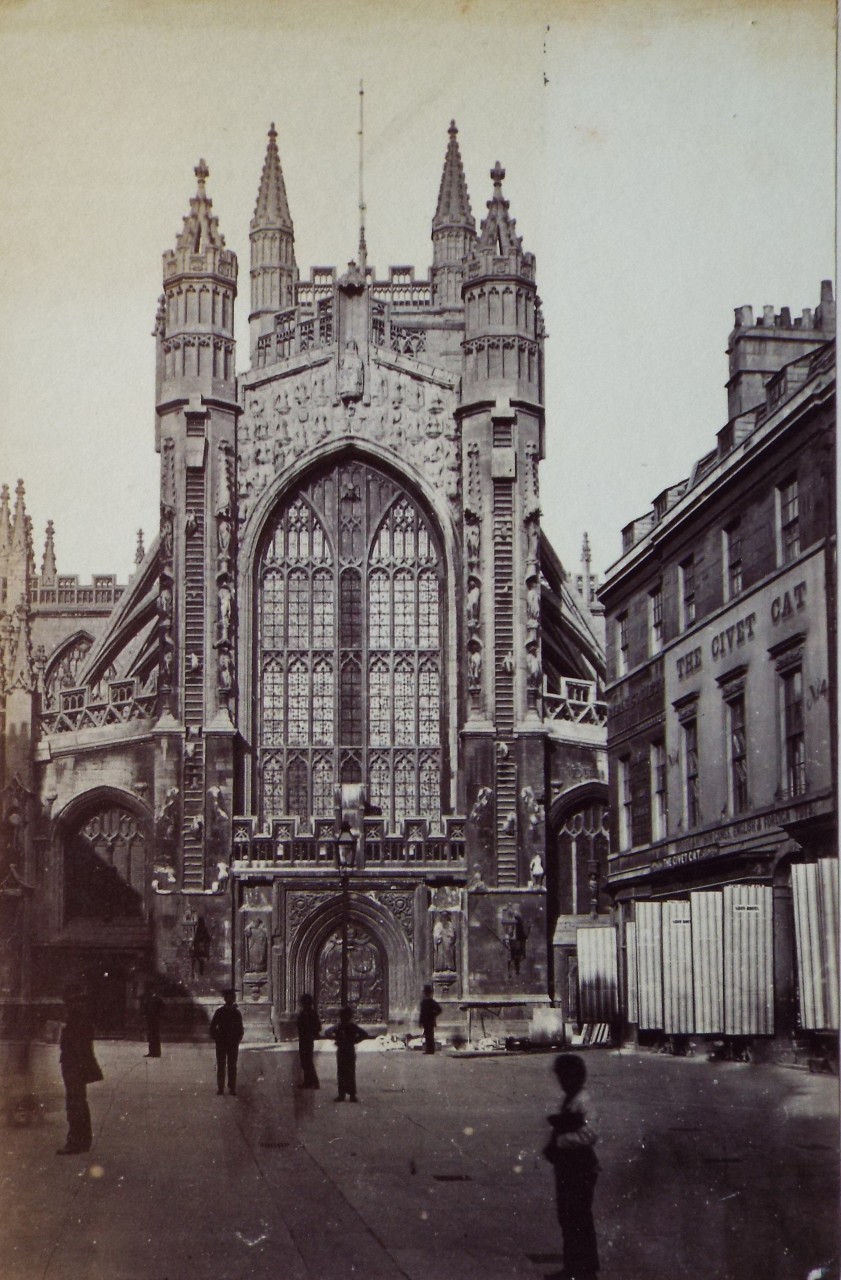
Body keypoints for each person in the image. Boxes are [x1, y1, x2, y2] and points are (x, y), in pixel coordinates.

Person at [542, 1053, 600, 1280]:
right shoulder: (571, 1098)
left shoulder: (583, 1101)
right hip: (567, 1166)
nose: (561, 1082)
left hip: (581, 1166)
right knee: (567, 1217)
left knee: (578, 1218)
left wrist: (561, 1140)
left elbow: (591, 1133)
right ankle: (572, 1267)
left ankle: (585, 1270)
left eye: (564, 1077)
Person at [57, 986, 103, 1155]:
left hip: (74, 1066)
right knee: (79, 1102)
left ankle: (76, 1141)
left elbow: (76, 1047)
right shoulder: (81, 1019)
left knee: (75, 1103)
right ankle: (82, 1140)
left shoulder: (77, 1020)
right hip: (76, 1065)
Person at [325, 1006, 369, 1102]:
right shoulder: (351, 1026)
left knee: (342, 1073)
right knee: (349, 1073)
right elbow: (364, 1034)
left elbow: (327, 1032)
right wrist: (355, 1041)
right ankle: (351, 1094)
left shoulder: (339, 1027)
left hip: (343, 1051)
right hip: (349, 1050)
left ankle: (342, 1094)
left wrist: (336, 1039)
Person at [209, 988, 244, 1096]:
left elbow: (240, 1029)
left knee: (232, 1065)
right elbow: (212, 1027)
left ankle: (232, 1087)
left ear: (233, 999)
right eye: (227, 997)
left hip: (232, 1043)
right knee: (221, 1064)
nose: (229, 999)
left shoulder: (237, 1013)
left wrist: (237, 1040)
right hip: (222, 1042)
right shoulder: (219, 1012)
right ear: (224, 999)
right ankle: (220, 1087)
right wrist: (217, 1038)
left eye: (231, 997)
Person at [297, 993, 322, 1089]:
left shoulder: (310, 1014)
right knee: (305, 1061)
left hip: (307, 1040)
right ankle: (307, 1082)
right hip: (304, 1039)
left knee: (307, 1061)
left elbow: (317, 1026)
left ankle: (315, 1082)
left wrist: (312, 1032)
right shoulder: (306, 1013)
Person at [141, 984, 164, 1058]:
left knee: (155, 1036)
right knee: (150, 1036)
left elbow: (162, 1009)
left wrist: (158, 1017)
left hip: (155, 1020)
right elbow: (145, 1008)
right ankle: (151, 1052)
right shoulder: (148, 999)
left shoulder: (158, 999)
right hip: (150, 1020)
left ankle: (157, 1052)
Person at [419, 984, 442, 1055]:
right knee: (429, 1035)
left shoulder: (426, 1002)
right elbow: (439, 1010)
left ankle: (430, 1050)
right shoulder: (431, 1001)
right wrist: (433, 1015)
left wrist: (420, 1021)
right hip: (430, 1021)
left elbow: (422, 1013)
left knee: (429, 1036)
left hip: (428, 1021)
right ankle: (430, 1049)